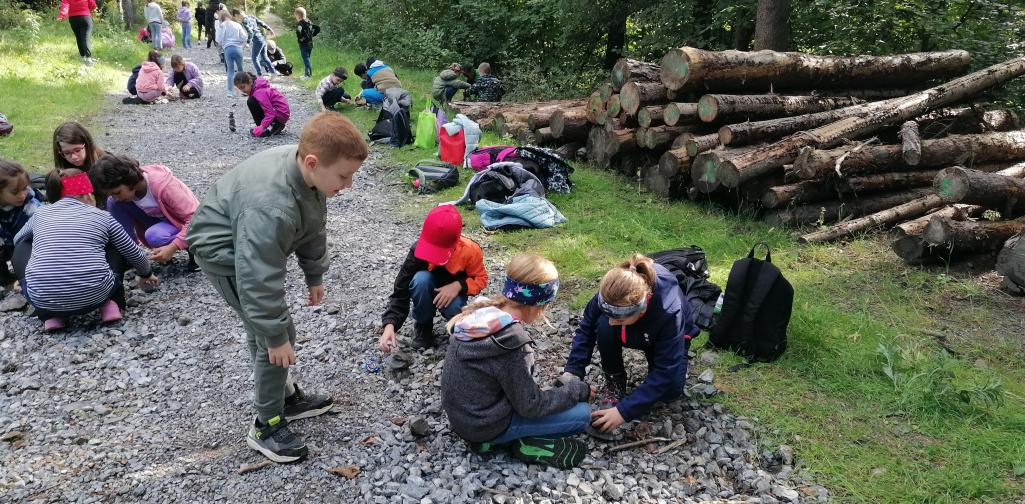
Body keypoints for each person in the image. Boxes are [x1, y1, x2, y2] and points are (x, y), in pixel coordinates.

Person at [187, 112, 368, 463]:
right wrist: (274, 335)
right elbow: (257, 276)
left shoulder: (308, 173)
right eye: (344, 177)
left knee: (273, 331)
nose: (348, 185)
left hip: (252, 245)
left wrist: (314, 274)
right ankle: (266, 423)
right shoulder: (272, 207)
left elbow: (313, 225)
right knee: (274, 335)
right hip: (224, 253)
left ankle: (286, 399)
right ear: (313, 162)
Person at [440, 253, 592, 468]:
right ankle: (512, 441)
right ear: (538, 305)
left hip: (463, 418)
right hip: (486, 426)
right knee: (583, 415)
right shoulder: (512, 341)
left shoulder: (480, 314)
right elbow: (530, 406)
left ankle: (489, 440)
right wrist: (578, 391)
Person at [11, 168, 159, 332]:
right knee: (116, 243)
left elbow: (18, 239)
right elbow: (133, 251)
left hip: (44, 301)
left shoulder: (41, 213)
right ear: (88, 195)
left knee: (22, 246)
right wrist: (146, 273)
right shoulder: (103, 217)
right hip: (97, 295)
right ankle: (113, 304)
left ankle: (50, 317)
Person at [563, 254, 696, 435]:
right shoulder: (613, 291)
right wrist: (573, 371)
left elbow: (666, 370)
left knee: (670, 392)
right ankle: (615, 380)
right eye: (608, 314)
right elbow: (586, 329)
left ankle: (666, 358)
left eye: (618, 318)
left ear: (640, 311)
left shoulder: (669, 310)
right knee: (602, 325)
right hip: (634, 326)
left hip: (659, 334)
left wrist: (623, 412)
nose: (611, 322)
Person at [378, 205, 488, 352]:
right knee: (420, 279)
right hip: (427, 287)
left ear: (455, 243)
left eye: (439, 252)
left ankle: (455, 324)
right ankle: (424, 325)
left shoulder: (470, 251)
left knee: (455, 305)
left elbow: (481, 279)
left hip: (452, 297)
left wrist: (458, 286)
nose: (434, 257)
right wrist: (390, 325)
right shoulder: (418, 251)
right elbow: (400, 290)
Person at [89, 153, 199, 269]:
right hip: (162, 221)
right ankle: (129, 255)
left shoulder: (164, 186)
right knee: (114, 203)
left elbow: (195, 218)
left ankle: (193, 247)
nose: (116, 197)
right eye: (111, 194)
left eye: (117, 192)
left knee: (155, 236)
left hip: (185, 222)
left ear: (129, 180)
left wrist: (173, 247)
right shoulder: (120, 199)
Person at [0, 158, 43, 290]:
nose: (22, 195)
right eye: (15, 192)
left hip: (26, 242)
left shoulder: (30, 205)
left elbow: (44, 225)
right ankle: (6, 281)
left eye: (25, 188)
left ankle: (32, 278)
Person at [234, 72, 290, 138]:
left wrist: (262, 126)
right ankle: (275, 124)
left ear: (250, 82)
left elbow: (270, 113)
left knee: (251, 101)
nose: (242, 90)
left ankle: (271, 126)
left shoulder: (259, 92)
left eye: (243, 87)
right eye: (240, 88)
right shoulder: (257, 86)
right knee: (252, 100)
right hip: (281, 113)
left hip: (281, 114)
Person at [233, 9, 277, 77]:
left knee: (254, 58)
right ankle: (273, 73)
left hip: (257, 40)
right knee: (265, 57)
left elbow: (250, 32)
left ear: (237, 15)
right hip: (263, 38)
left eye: (236, 17)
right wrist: (269, 29)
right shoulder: (252, 17)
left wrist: (248, 42)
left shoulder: (244, 21)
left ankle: (259, 75)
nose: (237, 19)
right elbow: (261, 23)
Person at [216, 10, 246, 97]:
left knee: (230, 71)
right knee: (240, 70)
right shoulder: (237, 24)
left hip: (228, 49)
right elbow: (244, 37)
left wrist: (224, 44)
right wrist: (242, 44)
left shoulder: (221, 26)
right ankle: (244, 90)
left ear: (221, 18)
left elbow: (219, 40)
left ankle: (230, 92)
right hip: (238, 49)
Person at [57, 0, 98, 64]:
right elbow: (92, 5)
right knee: (85, 38)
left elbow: (65, 5)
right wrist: (91, 7)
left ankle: (83, 57)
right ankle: (88, 58)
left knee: (79, 37)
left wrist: (61, 15)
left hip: (73, 19)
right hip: (85, 17)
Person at [293, 7, 320, 80]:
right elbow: (318, 28)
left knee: (306, 60)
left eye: (296, 17)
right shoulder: (309, 22)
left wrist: (300, 39)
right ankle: (306, 74)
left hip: (304, 45)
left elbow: (299, 32)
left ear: (298, 16)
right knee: (307, 59)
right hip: (310, 44)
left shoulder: (300, 24)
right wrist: (312, 35)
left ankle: (308, 76)